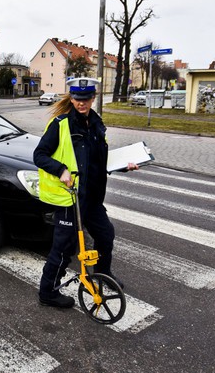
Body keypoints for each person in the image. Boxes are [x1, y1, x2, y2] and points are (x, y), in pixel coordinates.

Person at [33, 78, 137, 308]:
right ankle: (47, 291)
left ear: (93, 98)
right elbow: (39, 155)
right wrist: (60, 170)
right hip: (70, 198)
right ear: (71, 99)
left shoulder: (97, 124)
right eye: (77, 99)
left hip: (91, 198)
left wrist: (124, 165)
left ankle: (103, 274)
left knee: (105, 235)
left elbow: (99, 161)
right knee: (64, 247)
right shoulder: (60, 125)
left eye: (86, 99)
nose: (81, 103)